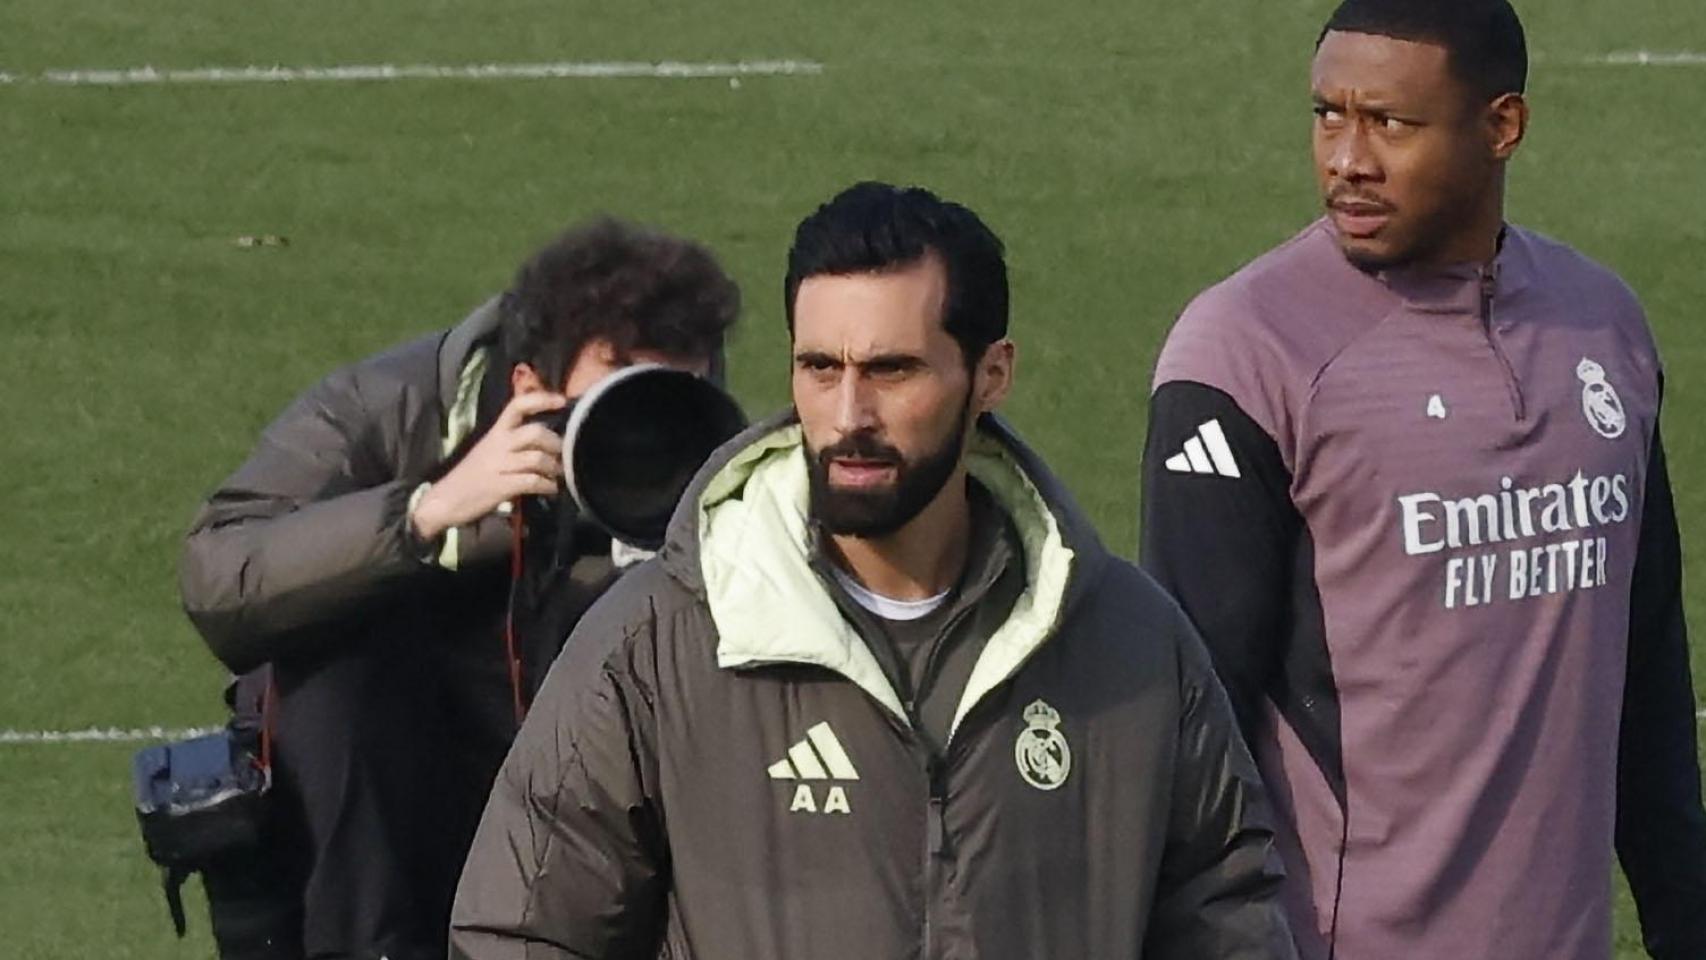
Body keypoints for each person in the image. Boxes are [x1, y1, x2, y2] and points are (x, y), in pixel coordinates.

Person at [449, 181, 1297, 959]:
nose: (849, 415)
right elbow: (522, 934)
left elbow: (1226, 910)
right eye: (820, 368)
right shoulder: (656, 642)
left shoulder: (1130, 643)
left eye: (891, 370)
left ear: (990, 374)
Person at [1139, 2, 1706, 958]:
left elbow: (1643, 671)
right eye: (1328, 115)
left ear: (1502, 126)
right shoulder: (1246, 353)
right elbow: (1196, 728)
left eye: (1389, 124)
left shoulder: (1602, 326)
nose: (1346, 159)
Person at [178, 217, 740, 960]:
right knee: (329, 637)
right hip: (406, 790)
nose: (641, 428)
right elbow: (220, 574)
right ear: (529, 388)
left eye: (673, 390)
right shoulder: (388, 412)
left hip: (591, 808)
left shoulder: (703, 450)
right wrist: (425, 516)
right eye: (618, 395)